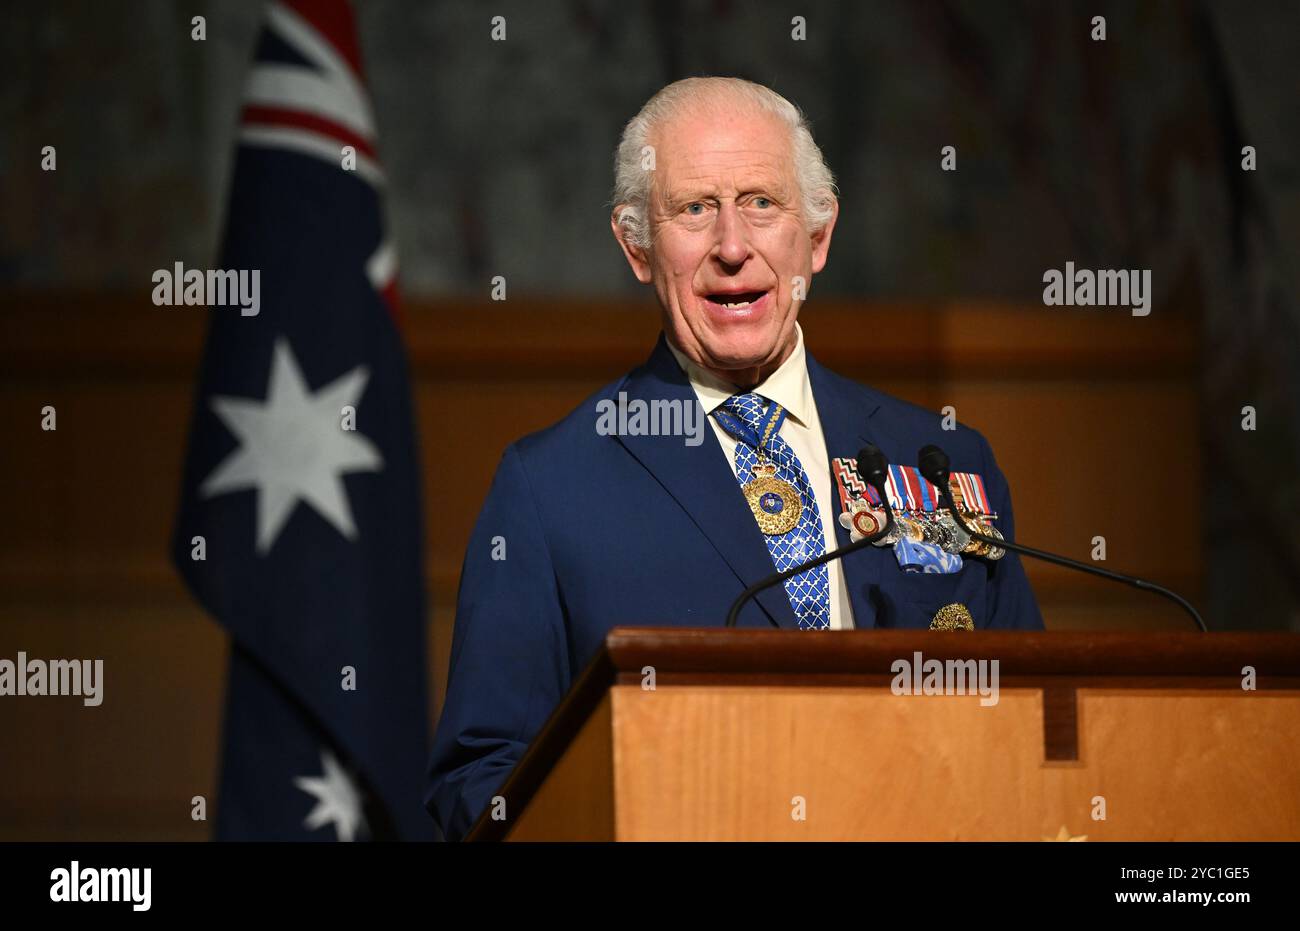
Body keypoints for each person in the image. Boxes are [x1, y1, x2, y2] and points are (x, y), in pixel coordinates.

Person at [425, 76, 1043, 841]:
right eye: (693, 209)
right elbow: (479, 787)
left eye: (762, 202)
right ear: (638, 248)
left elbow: (1033, 730)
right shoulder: (550, 491)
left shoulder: (949, 461)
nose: (731, 246)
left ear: (815, 239)